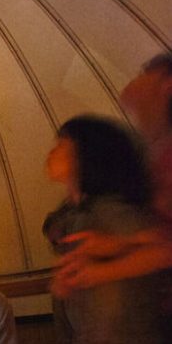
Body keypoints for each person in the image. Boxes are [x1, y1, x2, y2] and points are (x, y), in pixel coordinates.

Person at [52, 53, 172, 299]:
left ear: (167, 85)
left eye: (144, 74)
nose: (131, 87)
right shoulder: (156, 155)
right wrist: (124, 244)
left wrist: (101, 271)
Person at [42, 115, 164, 343]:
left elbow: (163, 248)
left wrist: (102, 269)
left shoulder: (110, 212)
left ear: (87, 155)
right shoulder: (78, 215)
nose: (51, 152)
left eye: (61, 145)